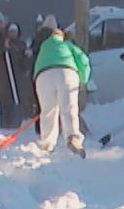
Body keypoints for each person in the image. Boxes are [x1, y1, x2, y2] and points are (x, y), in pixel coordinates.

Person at [31, 18, 91, 156]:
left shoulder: (43, 46)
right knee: (69, 108)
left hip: (43, 75)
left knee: (47, 111)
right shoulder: (68, 45)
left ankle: (47, 143)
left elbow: (36, 64)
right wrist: (83, 80)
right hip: (67, 72)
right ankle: (73, 138)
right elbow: (84, 60)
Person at [0, 23, 33, 131]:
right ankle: (5, 125)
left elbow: (25, 63)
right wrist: (4, 48)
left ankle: (16, 123)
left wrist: (27, 56)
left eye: (15, 32)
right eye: (11, 31)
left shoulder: (21, 45)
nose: (13, 34)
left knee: (17, 103)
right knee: (6, 102)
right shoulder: (1, 43)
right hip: (5, 80)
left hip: (19, 81)